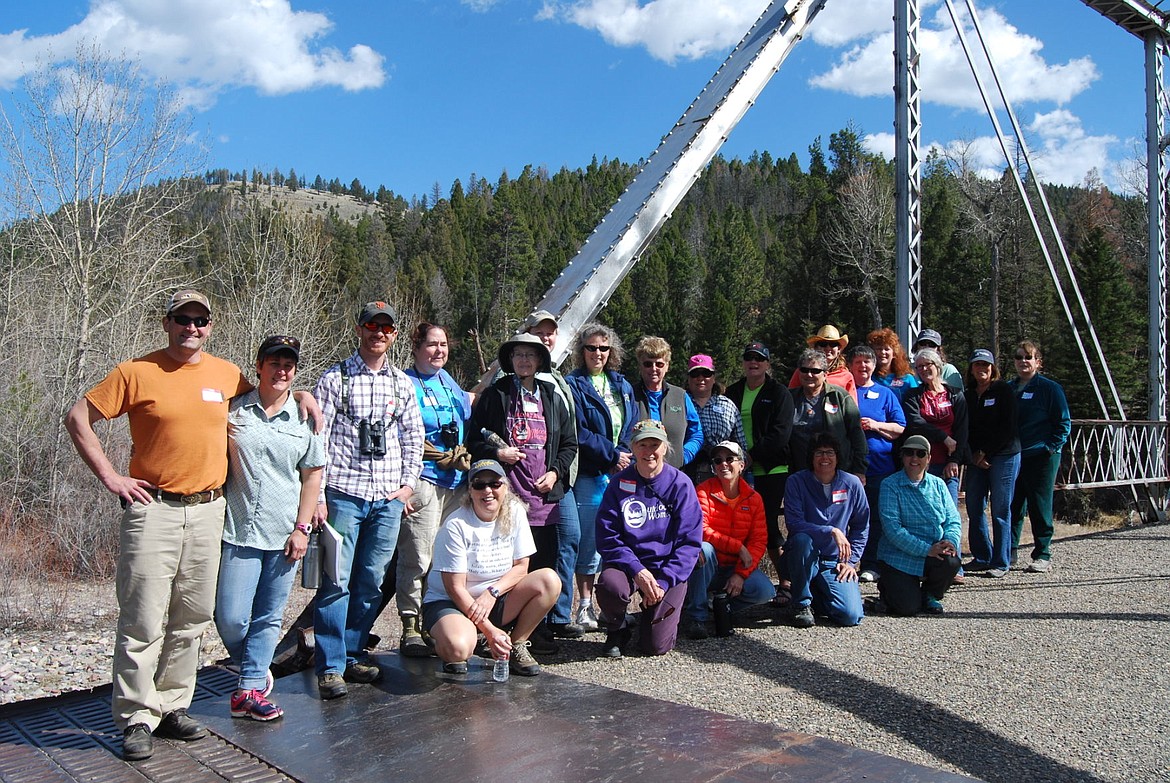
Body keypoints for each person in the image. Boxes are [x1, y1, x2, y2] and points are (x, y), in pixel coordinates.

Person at [64, 289, 252, 760]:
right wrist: (110, 476)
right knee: (143, 618)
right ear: (167, 323)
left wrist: (305, 398)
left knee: (191, 618)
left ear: (211, 325)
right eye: (183, 319)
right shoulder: (136, 372)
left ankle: (171, 706)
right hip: (154, 509)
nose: (192, 328)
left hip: (210, 509)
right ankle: (135, 717)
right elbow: (77, 417)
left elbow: (268, 399)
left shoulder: (227, 374)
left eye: (200, 320)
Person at [311, 301, 425, 700]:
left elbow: (413, 439)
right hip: (343, 495)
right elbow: (317, 443)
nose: (379, 333)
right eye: (371, 326)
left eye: (386, 328)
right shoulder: (334, 380)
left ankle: (354, 650)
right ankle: (329, 665)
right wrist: (319, 496)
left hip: (387, 500)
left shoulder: (402, 384)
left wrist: (407, 488)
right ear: (358, 329)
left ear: (394, 335)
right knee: (335, 581)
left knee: (371, 581)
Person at [214, 335, 325, 722]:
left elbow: (312, 476)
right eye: (274, 363)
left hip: (285, 535)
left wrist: (301, 529)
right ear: (259, 366)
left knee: (268, 616)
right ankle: (257, 670)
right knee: (230, 617)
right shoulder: (233, 411)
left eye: (289, 365)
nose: (281, 370)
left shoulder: (305, 420)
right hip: (238, 530)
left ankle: (247, 690)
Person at [467, 332, 578, 647]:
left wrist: (555, 473)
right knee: (507, 564)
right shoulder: (495, 394)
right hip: (507, 496)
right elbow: (474, 438)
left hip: (542, 496)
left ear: (540, 360)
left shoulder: (552, 397)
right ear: (510, 360)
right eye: (518, 355)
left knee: (543, 563)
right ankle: (496, 629)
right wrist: (497, 454)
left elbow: (569, 443)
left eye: (531, 355)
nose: (525, 360)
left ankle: (533, 632)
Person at [422, 460, 560, 677]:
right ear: (470, 491)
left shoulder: (515, 511)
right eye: (479, 485)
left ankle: (516, 645)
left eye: (494, 484)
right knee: (458, 649)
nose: (488, 491)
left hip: (494, 598)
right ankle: (444, 637)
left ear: (505, 486)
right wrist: (491, 630)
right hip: (454, 603)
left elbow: (522, 568)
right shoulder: (456, 525)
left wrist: (492, 592)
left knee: (549, 580)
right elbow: (455, 589)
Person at [394, 322, 473, 657]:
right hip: (423, 477)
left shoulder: (449, 382)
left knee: (447, 557)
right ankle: (410, 624)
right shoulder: (405, 384)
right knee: (418, 555)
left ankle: (437, 621)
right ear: (416, 348)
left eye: (443, 344)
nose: (438, 350)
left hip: (455, 481)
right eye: (431, 345)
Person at [595, 420, 702, 658]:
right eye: (642, 445)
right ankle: (617, 628)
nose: (648, 452)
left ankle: (649, 619)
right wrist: (637, 570)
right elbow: (607, 536)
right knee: (610, 584)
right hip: (629, 565)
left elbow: (689, 543)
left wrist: (663, 582)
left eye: (654, 444)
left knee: (654, 647)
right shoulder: (618, 484)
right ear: (632, 448)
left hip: (666, 568)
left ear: (665, 447)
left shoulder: (681, 484)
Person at [565, 323, 636, 632]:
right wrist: (611, 455)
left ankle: (612, 606)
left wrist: (621, 455)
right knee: (590, 542)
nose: (597, 354)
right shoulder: (574, 384)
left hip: (620, 474)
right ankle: (583, 606)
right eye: (591, 348)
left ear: (612, 352)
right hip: (590, 473)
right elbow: (578, 430)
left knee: (619, 539)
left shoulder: (622, 384)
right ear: (582, 351)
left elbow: (632, 423)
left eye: (603, 348)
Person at [522, 310, 584, 639]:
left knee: (567, 540)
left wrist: (560, 470)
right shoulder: (516, 379)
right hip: (530, 482)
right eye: (539, 333)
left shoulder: (558, 377)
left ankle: (557, 614)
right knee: (535, 548)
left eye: (550, 333)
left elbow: (569, 432)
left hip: (562, 477)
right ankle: (534, 620)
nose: (546, 338)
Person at [681, 441, 775, 639]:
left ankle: (723, 608)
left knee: (765, 591)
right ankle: (697, 617)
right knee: (704, 549)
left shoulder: (754, 498)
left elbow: (759, 540)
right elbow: (701, 530)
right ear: (713, 467)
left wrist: (741, 574)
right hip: (710, 566)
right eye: (718, 460)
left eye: (730, 459)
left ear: (742, 465)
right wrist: (737, 546)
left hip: (735, 567)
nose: (724, 464)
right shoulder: (703, 491)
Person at [724, 341, 794, 581]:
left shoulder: (779, 393)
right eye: (749, 358)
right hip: (738, 471)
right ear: (743, 362)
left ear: (767, 363)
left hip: (771, 469)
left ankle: (786, 581)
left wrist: (753, 455)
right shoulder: (733, 391)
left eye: (759, 359)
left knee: (770, 526)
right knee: (739, 526)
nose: (754, 363)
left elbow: (781, 432)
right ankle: (737, 580)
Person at [783, 433, 868, 628]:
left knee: (850, 616)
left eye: (830, 452)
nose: (824, 458)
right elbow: (794, 524)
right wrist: (831, 530)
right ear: (811, 457)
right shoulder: (796, 482)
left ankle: (814, 594)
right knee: (802, 540)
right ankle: (801, 604)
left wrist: (851, 560)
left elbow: (861, 525)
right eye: (819, 453)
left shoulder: (852, 483)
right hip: (803, 557)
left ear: (838, 456)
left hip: (834, 562)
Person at [876, 435, 962, 615]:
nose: (914, 459)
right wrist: (926, 550)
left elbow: (953, 519)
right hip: (898, 556)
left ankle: (930, 594)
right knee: (907, 609)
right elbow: (893, 530)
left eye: (920, 454)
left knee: (952, 561)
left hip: (934, 552)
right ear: (902, 456)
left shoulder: (938, 484)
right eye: (909, 453)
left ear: (929, 458)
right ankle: (887, 589)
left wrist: (950, 541)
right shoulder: (889, 485)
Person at [1009, 340, 1071, 573]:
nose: (1023, 362)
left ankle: (1042, 553)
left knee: (1039, 505)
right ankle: (1009, 551)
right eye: (1018, 357)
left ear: (1038, 362)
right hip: (1014, 456)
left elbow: (1063, 422)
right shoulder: (1009, 388)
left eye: (1028, 357)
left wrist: (1050, 448)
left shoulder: (1049, 389)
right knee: (1013, 505)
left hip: (1041, 456)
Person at [847, 345, 905, 583]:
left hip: (880, 468)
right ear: (850, 365)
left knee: (876, 518)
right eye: (858, 362)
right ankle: (845, 563)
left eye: (867, 362)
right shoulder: (844, 391)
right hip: (848, 469)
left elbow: (899, 427)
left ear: (874, 366)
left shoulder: (885, 393)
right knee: (848, 517)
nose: (863, 366)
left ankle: (871, 564)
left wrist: (875, 425)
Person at [964, 349, 1020, 579]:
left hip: (1004, 454)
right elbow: (965, 427)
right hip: (977, 457)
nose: (981, 369)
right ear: (971, 369)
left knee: (1000, 508)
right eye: (977, 365)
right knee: (974, 504)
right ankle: (982, 556)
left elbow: (1008, 427)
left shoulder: (1003, 390)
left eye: (985, 365)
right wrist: (974, 454)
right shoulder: (968, 395)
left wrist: (986, 452)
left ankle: (1001, 561)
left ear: (993, 368)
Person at [787, 348, 867, 480]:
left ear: (825, 374)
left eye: (815, 371)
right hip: (799, 474)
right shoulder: (789, 398)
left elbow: (857, 434)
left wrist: (859, 469)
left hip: (838, 473)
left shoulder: (840, 396)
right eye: (804, 370)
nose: (809, 375)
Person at [902, 348, 968, 508]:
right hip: (921, 463)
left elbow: (962, 430)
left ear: (937, 365)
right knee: (924, 510)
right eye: (919, 367)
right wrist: (943, 437)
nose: (923, 369)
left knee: (949, 511)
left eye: (927, 364)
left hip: (947, 463)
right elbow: (915, 423)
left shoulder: (955, 395)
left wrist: (954, 460)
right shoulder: (913, 396)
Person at [631, 336, 703, 468]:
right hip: (636, 473)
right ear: (640, 366)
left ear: (667, 366)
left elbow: (696, 433)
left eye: (659, 364)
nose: (653, 369)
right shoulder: (629, 395)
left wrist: (683, 456)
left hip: (674, 473)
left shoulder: (680, 396)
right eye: (648, 364)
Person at [684, 354, 746, 484]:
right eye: (695, 374)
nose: (700, 378)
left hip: (722, 471)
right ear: (688, 378)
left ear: (713, 378)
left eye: (706, 373)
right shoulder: (678, 403)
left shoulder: (728, 405)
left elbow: (741, 445)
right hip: (686, 471)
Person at [789, 325, 857, 401]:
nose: (828, 348)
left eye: (833, 344)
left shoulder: (846, 376)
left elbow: (852, 406)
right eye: (823, 344)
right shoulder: (803, 371)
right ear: (816, 348)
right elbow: (791, 398)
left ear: (838, 349)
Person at [867, 327, 919, 401]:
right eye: (879, 349)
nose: (883, 352)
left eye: (887, 349)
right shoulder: (868, 377)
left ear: (894, 353)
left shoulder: (907, 379)